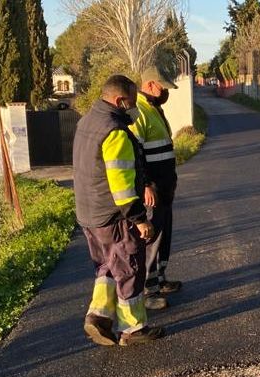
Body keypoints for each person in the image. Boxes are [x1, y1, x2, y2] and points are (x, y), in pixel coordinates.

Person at [73, 74, 165, 346]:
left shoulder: (86, 122)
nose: (134, 107)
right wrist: (139, 219)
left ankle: (98, 317)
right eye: (133, 102)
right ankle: (133, 328)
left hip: (89, 214)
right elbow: (121, 183)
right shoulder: (114, 131)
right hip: (114, 216)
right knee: (128, 267)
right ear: (120, 100)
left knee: (106, 266)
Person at [130, 66, 182, 311]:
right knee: (150, 239)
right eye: (163, 87)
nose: (165, 92)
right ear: (150, 84)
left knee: (163, 236)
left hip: (165, 186)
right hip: (153, 190)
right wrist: (146, 185)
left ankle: (160, 279)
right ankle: (148, 291)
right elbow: (136, 154)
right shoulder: (140, 111)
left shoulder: (153, 109)